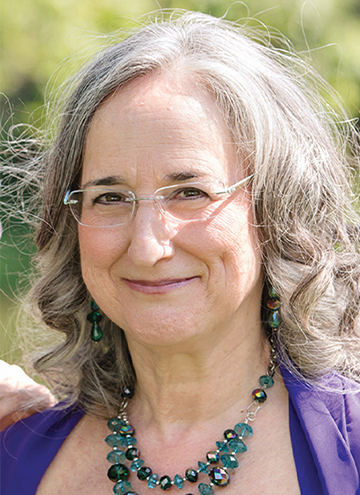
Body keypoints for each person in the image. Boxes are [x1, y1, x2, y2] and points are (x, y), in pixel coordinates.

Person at [1, 11, 360, 495]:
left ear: (276, 210)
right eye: (110, 197)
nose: (147, 246)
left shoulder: (350, 451)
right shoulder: (13, 452)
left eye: (189, 192)